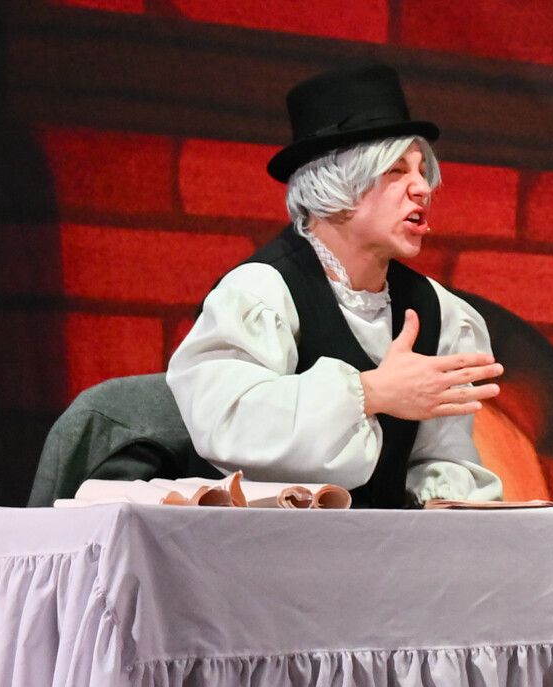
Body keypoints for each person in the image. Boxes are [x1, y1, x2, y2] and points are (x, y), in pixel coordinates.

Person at [169, 64, 504, 508]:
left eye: (423, 171)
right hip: (258, 542)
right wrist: (370, 394)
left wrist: (444, 506)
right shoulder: (260, 293)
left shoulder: (439, 312)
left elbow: (441, 459)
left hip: (383, 545)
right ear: (337, 187)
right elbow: (230, 424)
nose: (423, 188)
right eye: (396, 171)